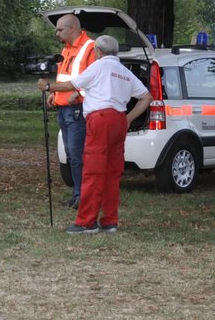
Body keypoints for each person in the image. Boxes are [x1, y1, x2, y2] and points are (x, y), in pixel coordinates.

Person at [40, 34, 148, 234]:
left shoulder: (99, 67)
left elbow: (71, 85)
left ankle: (86, 221)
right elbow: (146, 97)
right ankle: (109, 220)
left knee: (93, 170)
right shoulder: (124, 71)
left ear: (98, 51)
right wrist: (128, 118)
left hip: (100, 119)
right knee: (112, 172)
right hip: (118, 119)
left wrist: (48, 86)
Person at [42, 11, 96, 208]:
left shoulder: (89, 47)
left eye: (60, 29)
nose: (57, 33)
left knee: (77, 155)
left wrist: (80, 94)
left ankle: (83, 196)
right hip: (63, 108)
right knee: (72, 156)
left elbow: (93, 77)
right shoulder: (67, 49)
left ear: (72, 29)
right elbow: (64, 77)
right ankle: (77, 194)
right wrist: (53, 94)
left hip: (77, 109)